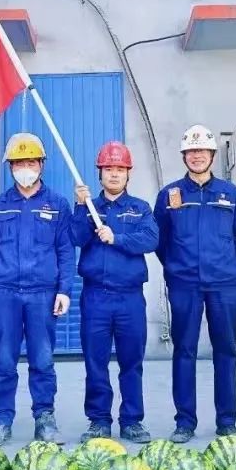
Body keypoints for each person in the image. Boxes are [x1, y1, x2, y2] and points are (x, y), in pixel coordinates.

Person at [153, 124, 236, 444]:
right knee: (184, 350)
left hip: (224, 285)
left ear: (212, 155)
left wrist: (223, 260)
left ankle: (227, 421)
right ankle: (185, 422)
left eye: (202, 151)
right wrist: (177, 266)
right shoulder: (169, 195)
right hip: (184, 284)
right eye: (191, 151)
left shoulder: (230, 193)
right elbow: (159, 241)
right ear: (184, 156)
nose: (197, 156)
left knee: (226, 351)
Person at [0, 133, 74, 445]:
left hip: (43, 293)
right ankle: (1, 420)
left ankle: (45, 418)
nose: (25, 168)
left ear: (41, 165)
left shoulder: (57, 204)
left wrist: (64, 289)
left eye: (30, 162)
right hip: (4, 292)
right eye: (18, 163)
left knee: (42, 359)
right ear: (10, 168)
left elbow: (65, 251)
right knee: (4, 360)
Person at [72, 142, 159, 444]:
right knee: (95, 361)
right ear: (100, 173)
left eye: (120, 169)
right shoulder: (89, 207)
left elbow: (150, 239)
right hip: (95, 297)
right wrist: (81, 207)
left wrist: (117, 237)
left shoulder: (140, 208)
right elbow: (75, 237)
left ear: (128, 173)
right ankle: (98, 420)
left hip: (129, 298)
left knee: (131, 362)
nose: (114, 174)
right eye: (108, 168)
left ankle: (132, 421)